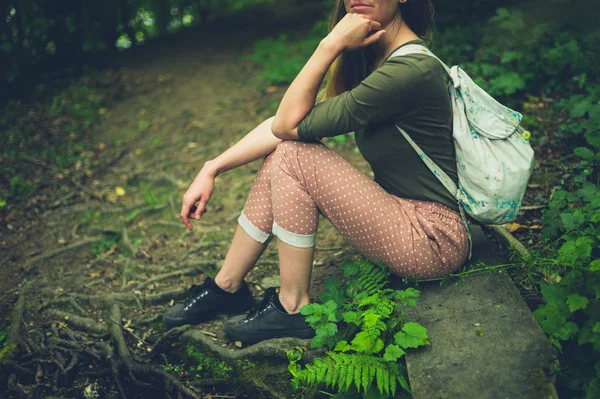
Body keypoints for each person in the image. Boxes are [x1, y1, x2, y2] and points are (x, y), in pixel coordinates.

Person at [162, 0, 469, 344]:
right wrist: (212, 168)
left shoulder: (409, 71)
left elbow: (287, 126)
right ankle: (227, 287)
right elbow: (286, 126)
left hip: (432, 238)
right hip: (403, 215)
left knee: (294, 154)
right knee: (285, 153)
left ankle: (292, 307)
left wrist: (329, 45)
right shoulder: (381, 61)